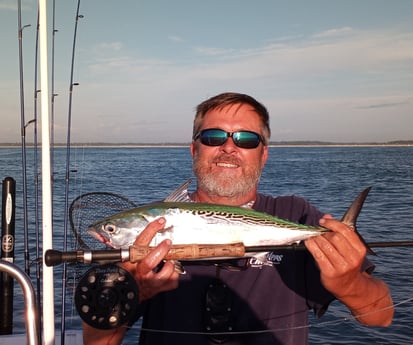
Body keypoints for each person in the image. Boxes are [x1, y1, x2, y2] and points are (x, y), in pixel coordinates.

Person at [83, 92, 394, 345]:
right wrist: (134, 291)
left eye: (246, 139)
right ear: (194, 150)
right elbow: (96, 343)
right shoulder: (136, 246)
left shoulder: (296, 213)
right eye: (213, 137)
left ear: (264, 154)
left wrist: (349, 282)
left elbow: (381, 316)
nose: (228, 147)